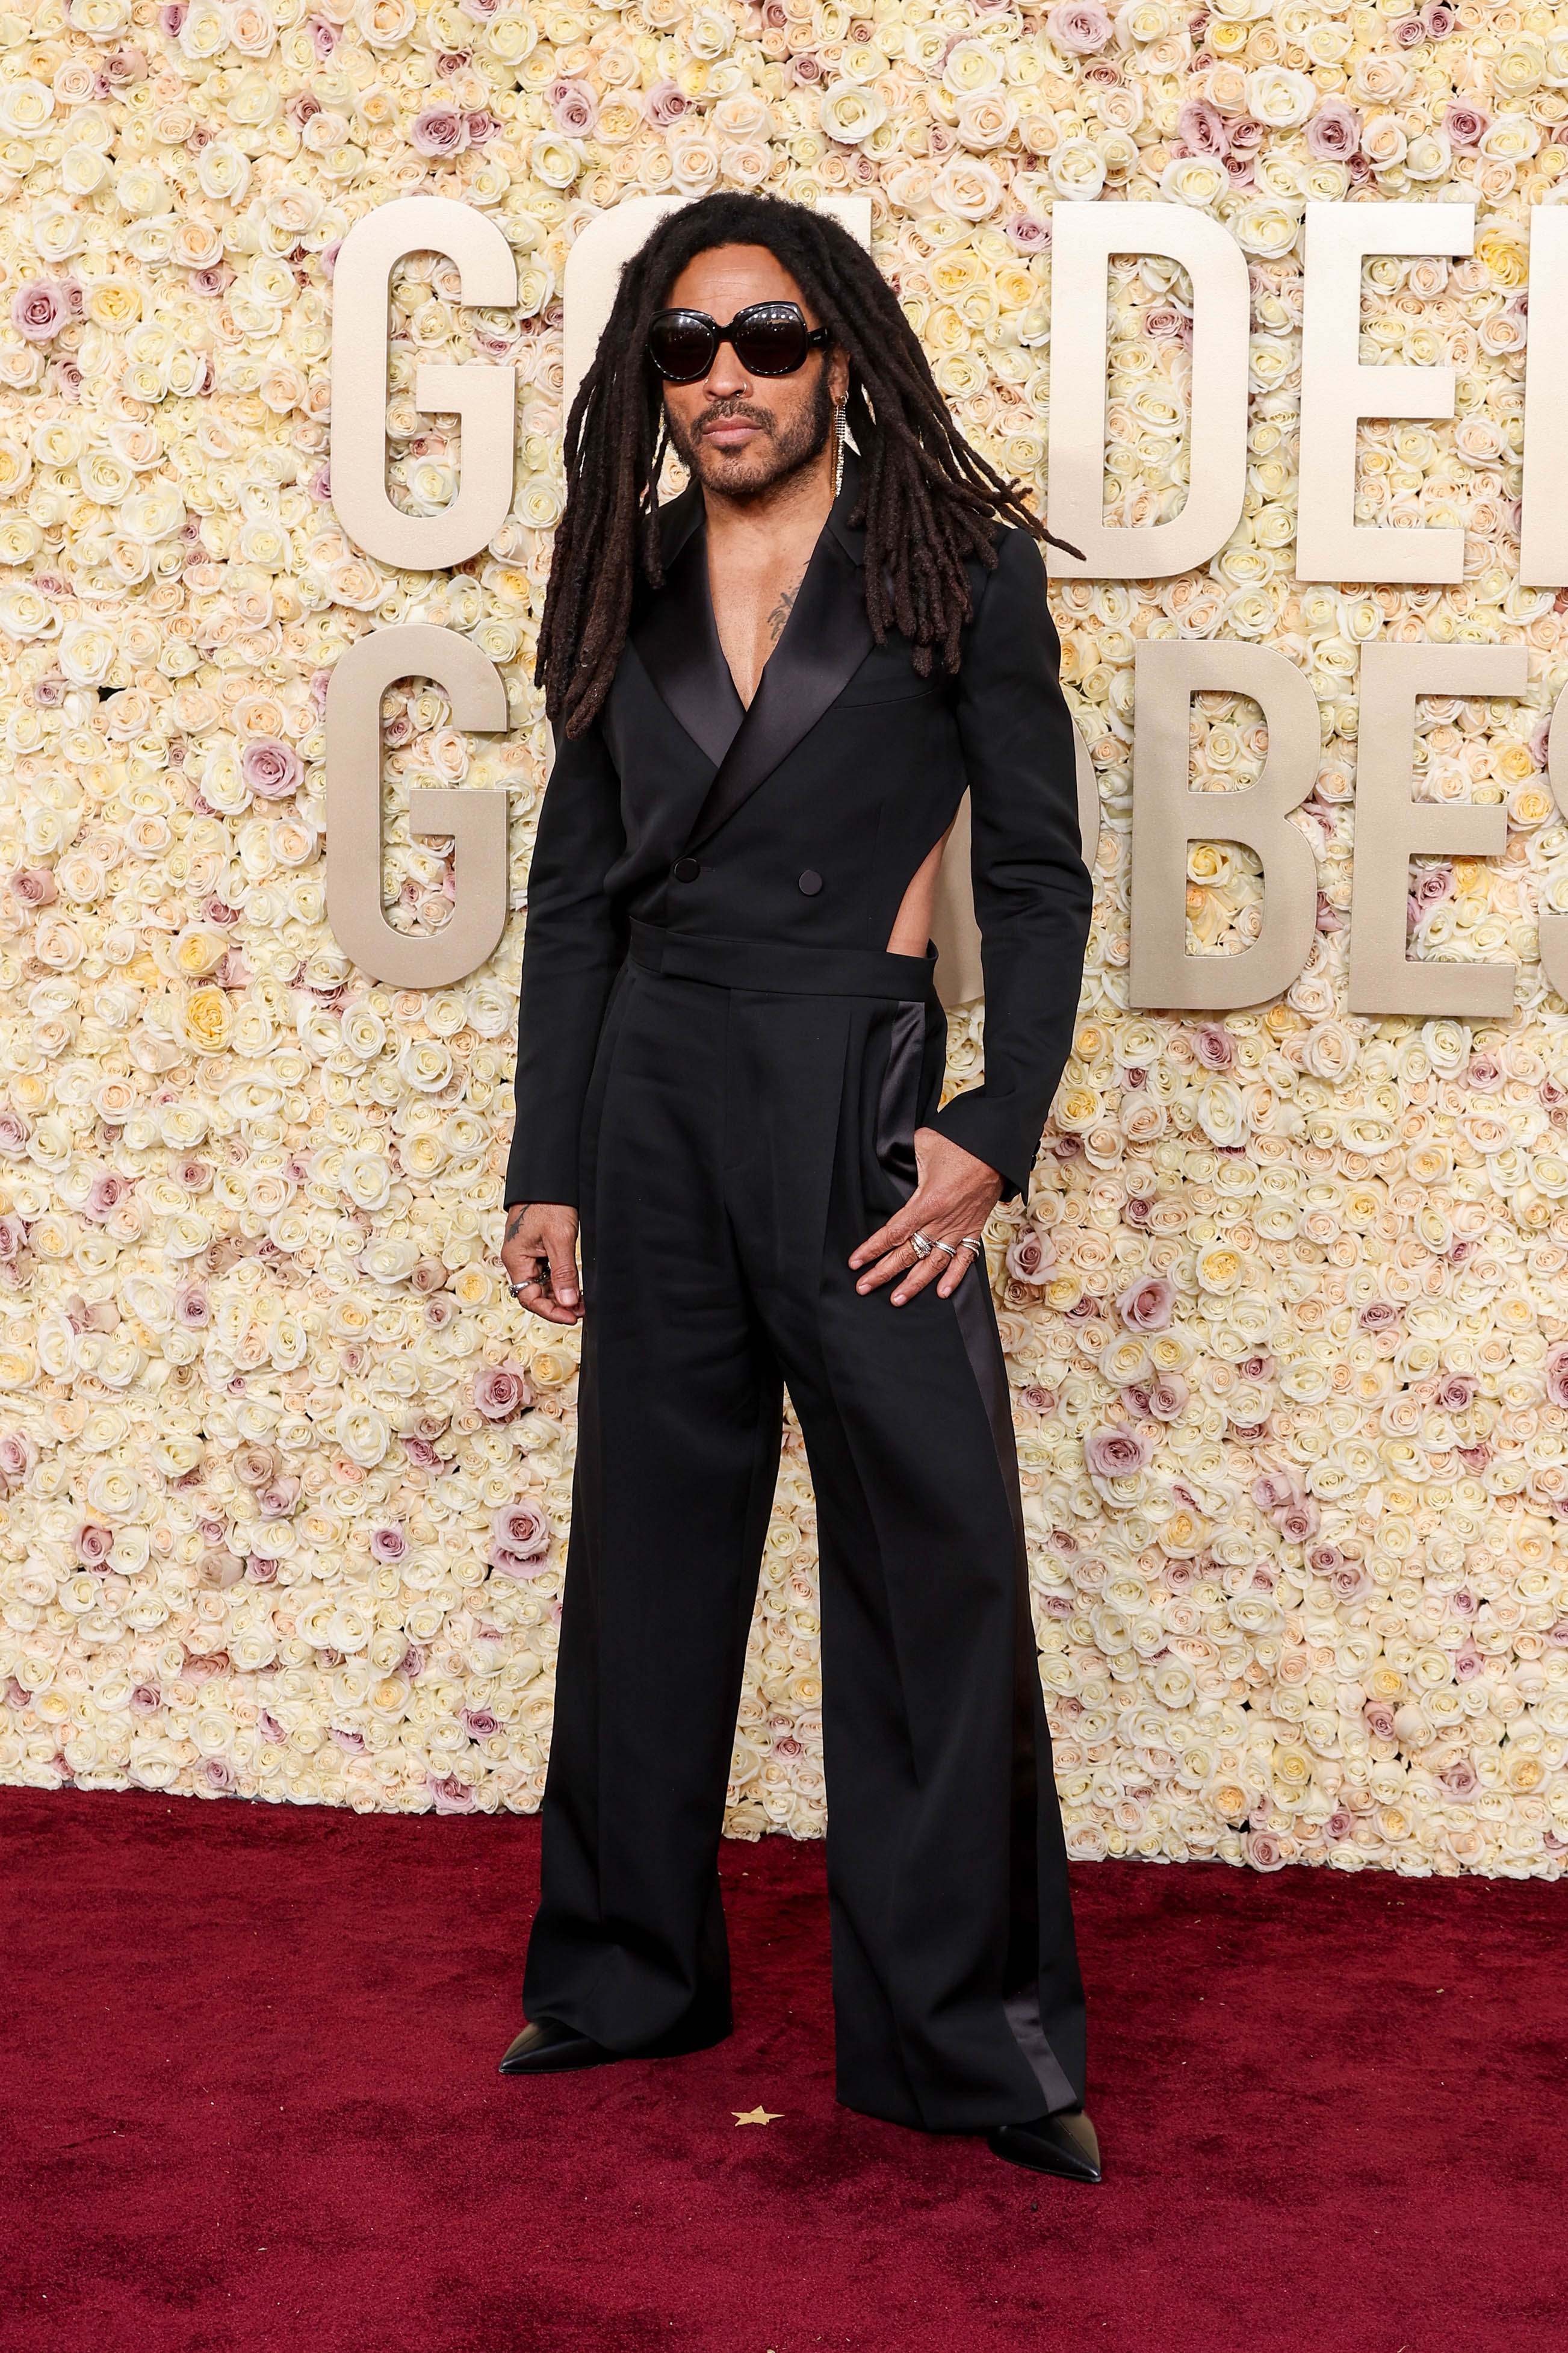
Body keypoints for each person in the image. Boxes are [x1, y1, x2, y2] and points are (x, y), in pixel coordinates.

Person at [497, 193, 1098, 2184]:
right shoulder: (625, 575)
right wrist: (552, 1163)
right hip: (659, 1090)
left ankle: (964, 2044)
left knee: (936, 1564)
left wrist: (993, 1126)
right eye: (685, 348)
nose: (725, 377)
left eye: (763, 338)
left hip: (861, 1086)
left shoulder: (951, 569)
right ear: (648, 383)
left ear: (838, 352)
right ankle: (621, 1974)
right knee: (650, 1556)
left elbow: (1036, 873)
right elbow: (575, 895)